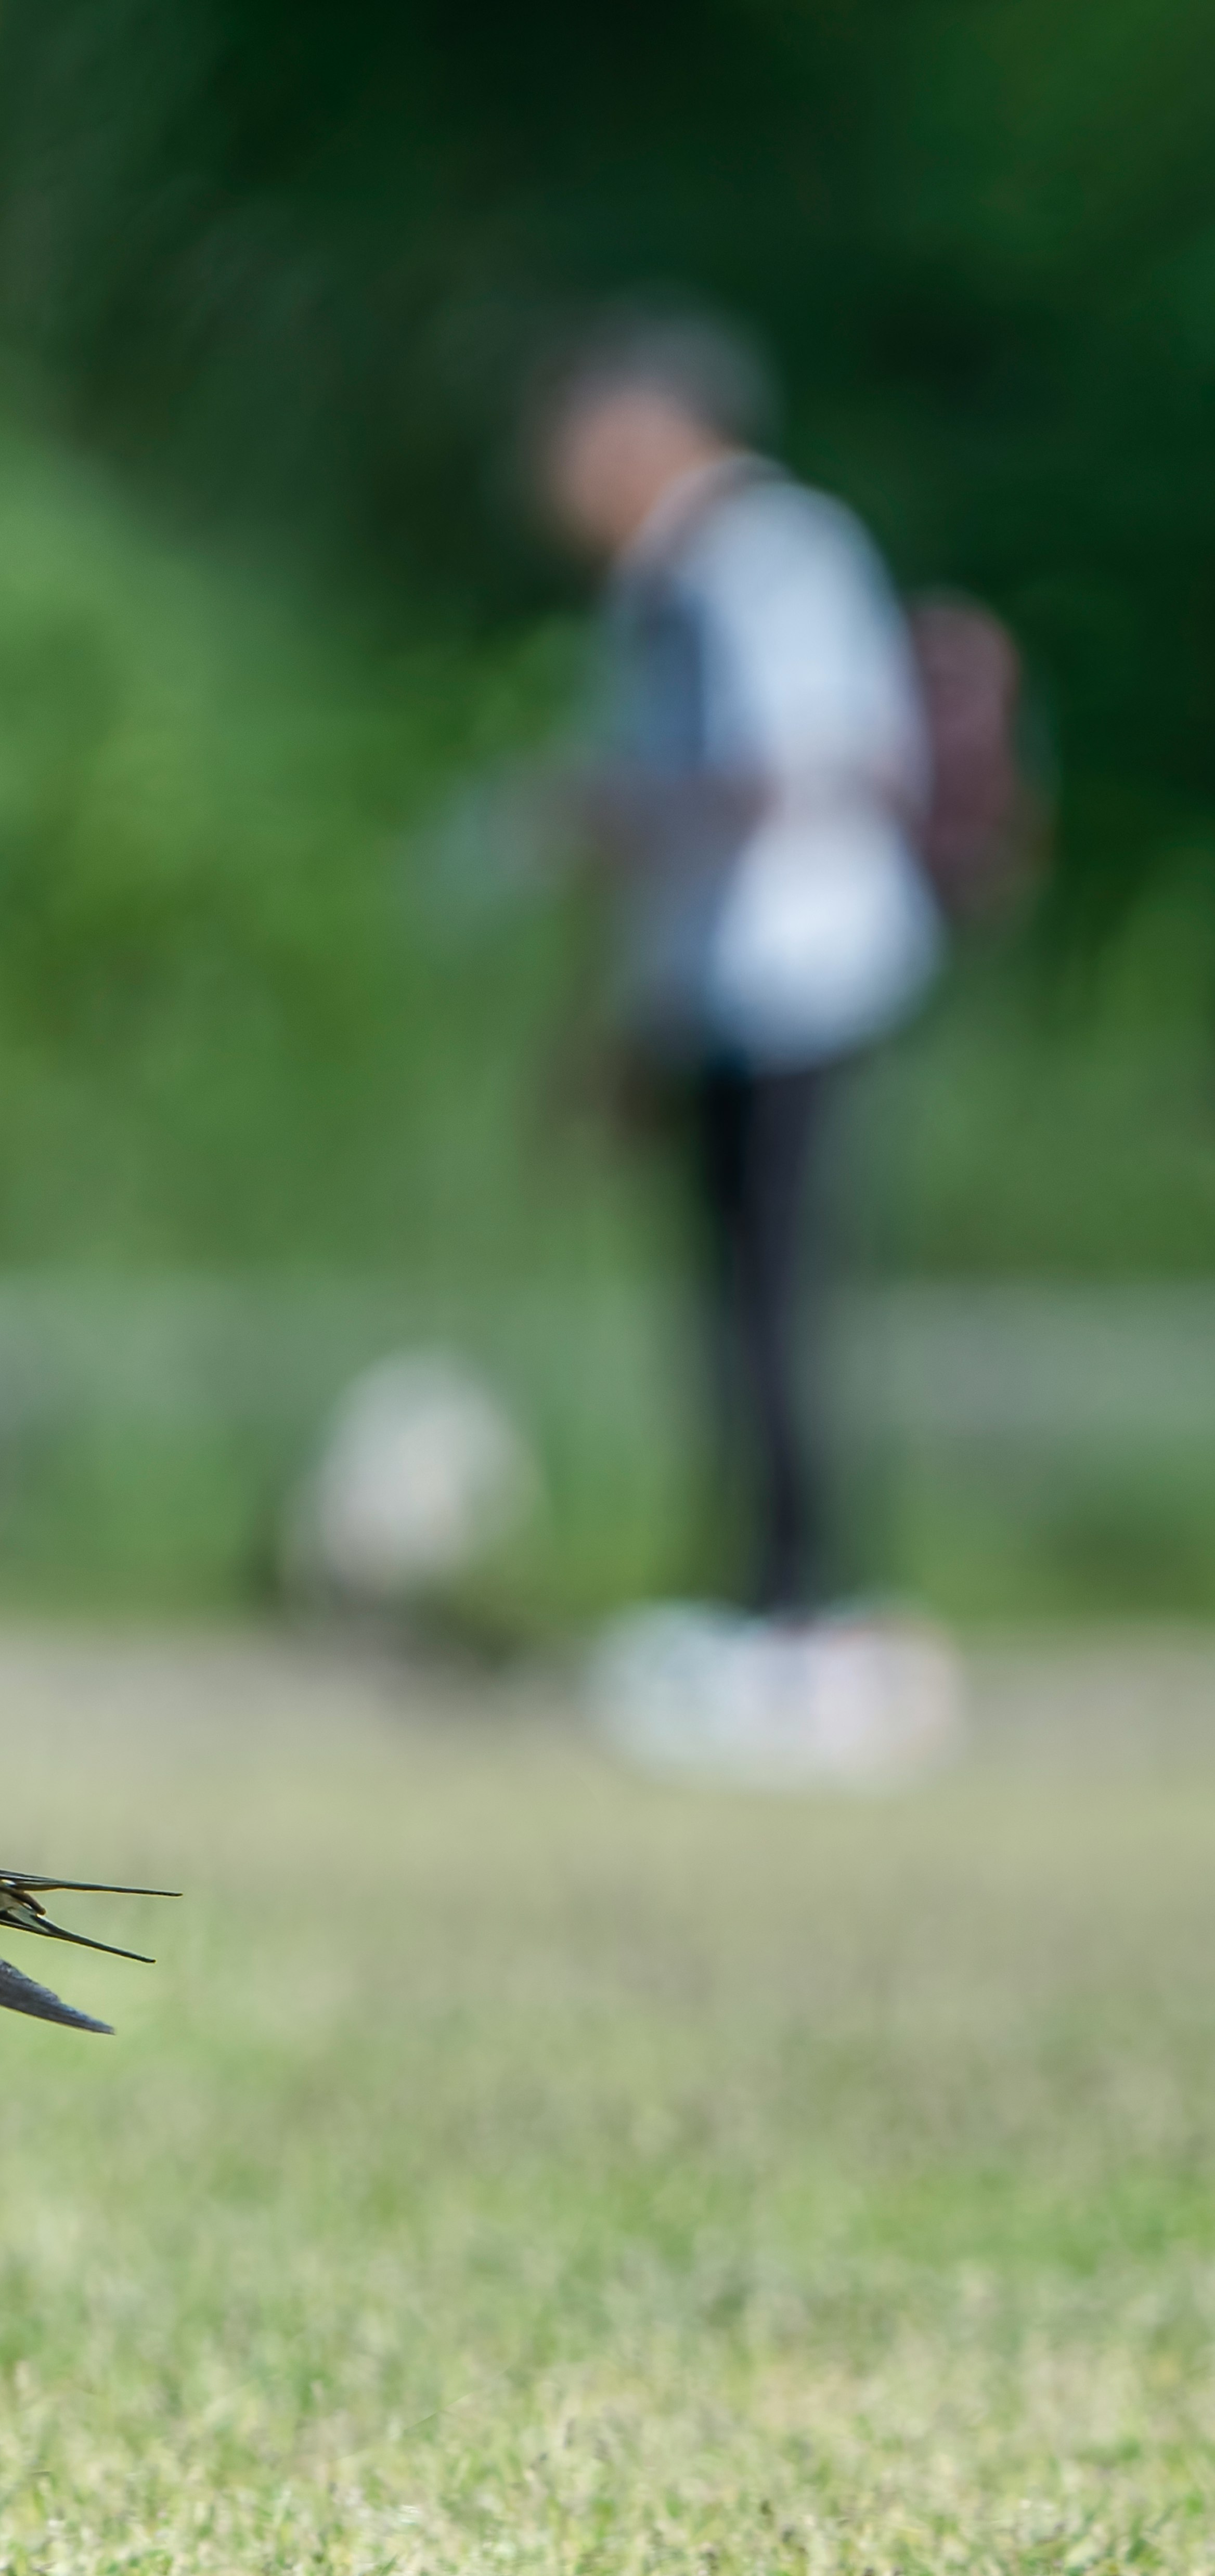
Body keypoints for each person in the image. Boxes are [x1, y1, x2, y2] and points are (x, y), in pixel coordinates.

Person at [529, 309, 958, 1778]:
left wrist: (628, 811)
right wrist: (618, 1024)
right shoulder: (649, 590)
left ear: (658, 430)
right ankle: (754, 1586)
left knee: (777, 1294)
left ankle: (801, 1608)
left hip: (803, 972)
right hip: (712, 988)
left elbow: (812, 762)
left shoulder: (774, 553)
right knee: (722, 1300)